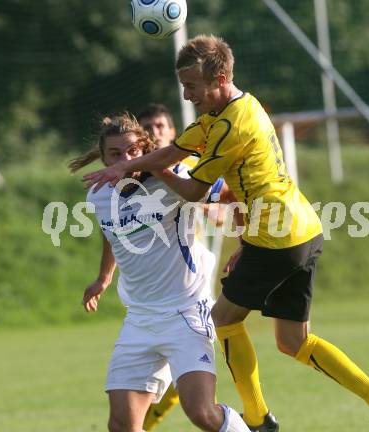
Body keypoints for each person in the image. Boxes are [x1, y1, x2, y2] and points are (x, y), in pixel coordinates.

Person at [82, 36, 369, 432]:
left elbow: (191, 190)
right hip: (300, 230)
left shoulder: (228, 127)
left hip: (277, 238)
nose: (186, 96)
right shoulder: (233, 108)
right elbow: (172, 154)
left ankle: (257, 421)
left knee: (221, 319)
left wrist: (143, 170)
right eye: (183, 86)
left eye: (192, 87)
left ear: (219, 79)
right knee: (293, 342)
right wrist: (133, 170)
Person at [70, 113, 253, 432]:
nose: (125, 159)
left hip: (186, 313)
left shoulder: (173, 177)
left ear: (145, 150)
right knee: (122, 426)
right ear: (104, 158)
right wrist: (103, 277)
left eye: (132, 152)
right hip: (139, 319)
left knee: (202, 413)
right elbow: (111, 232)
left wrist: (244, 245)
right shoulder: (98, 194)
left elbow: (229, 196)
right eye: (116, 154)